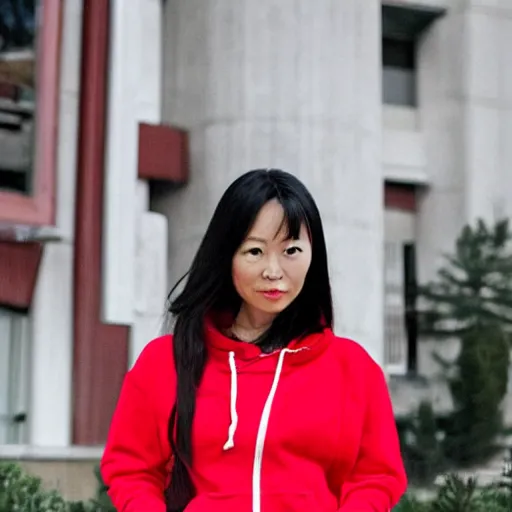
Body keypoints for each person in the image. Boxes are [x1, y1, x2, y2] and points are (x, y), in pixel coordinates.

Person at [100, 169, 407, 512]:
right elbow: (131, 470)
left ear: (312, 254)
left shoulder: (352, 367)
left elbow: (375, 477)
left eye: (291, 250)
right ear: (226, 255)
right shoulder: (165, 361)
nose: (273, 271)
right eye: (255, 252)